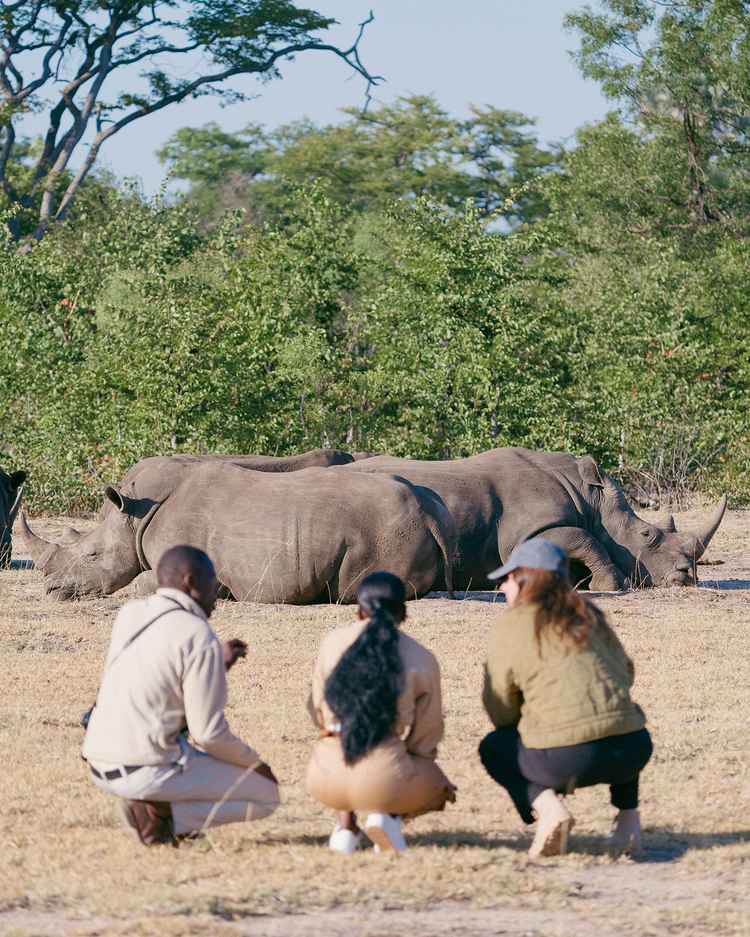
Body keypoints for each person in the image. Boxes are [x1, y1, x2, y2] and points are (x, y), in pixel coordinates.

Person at [82, 544, 279, 846]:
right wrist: (255, 764)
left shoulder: (130, 614)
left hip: (97, 759)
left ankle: (155, 807)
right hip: (145, 768)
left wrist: (215, 662)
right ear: (190, 582)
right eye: (212, 581)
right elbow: (208, 734)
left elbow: (157, 675)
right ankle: (163, 821)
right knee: (267, 794)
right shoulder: (198, 634)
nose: (217, 590)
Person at [478, 537, 653, 858]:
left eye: (507, 577)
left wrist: (524, 724)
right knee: (621, 718)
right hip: (634, 749)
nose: (502, 586)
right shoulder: (590, 613)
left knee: (495, 747)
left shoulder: (513, 624)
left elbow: (499, 703)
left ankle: (548, 809)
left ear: (526, 577)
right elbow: (625, 674)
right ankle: (629, 823)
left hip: (564, 760)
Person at [306, 571, 456, 854]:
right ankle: (387, 816)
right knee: (440, 785)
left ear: (359, 611)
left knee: (343, 740)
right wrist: (402, 763)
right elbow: (426, 736)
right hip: (383, 776)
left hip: (324, 777)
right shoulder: (421, 658)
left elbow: (318, 710)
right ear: (404, 612)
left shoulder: (331, 643)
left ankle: (346, 829)